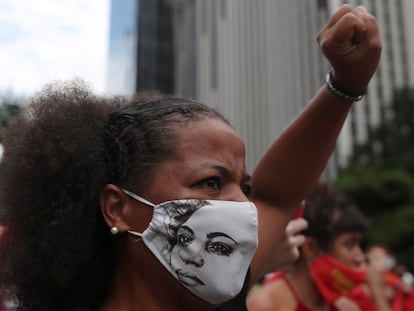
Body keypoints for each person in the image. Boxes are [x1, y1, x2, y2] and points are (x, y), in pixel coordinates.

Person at [0, 4, 381, 311]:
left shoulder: (223, 296)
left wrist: (345, 84)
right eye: (211, 182)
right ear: (118, 208)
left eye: (244, 187)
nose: (243, 206)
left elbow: (277, 195)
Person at [247, 182, 390, 311]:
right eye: (350, 244)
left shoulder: (346, 307)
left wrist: (377, 292)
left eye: (359, 244)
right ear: (311, 249)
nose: (360, 257)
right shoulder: (266, 306)